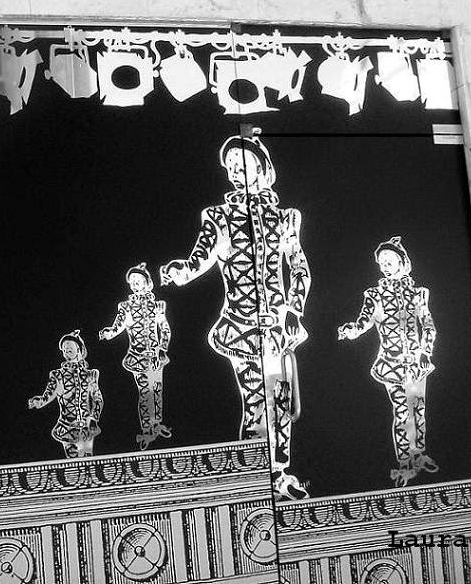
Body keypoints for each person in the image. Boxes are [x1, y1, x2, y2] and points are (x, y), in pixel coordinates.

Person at [160, 135, 311, 500]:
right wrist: (180, 271)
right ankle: (256, 479)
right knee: (256, 402)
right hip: (241, 326)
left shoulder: (285, 218)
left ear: (262, 168)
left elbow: (299, 267)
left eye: (243, 165)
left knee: (280, 400)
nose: (236, 172)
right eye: (230, 167)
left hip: (278, 327)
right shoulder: (218, 217)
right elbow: (200, 258)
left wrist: (294, 308)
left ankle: (279, 475)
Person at [338, 236, 438, 487]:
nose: (384, 265)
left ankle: (419, 454)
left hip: (416, 363)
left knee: (419, 410)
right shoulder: (374, 295)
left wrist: (425, 351)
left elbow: (428, 325)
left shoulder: (418, 294)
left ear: (402, 262)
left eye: (389, 260)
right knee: (402, 412)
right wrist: (352, 330)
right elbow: (363, 321)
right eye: (381, 262)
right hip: (390, 364)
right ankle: (404, 462)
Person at [99, 263, 172, 450]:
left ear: (147, 282)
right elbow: (118, 325)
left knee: (156, 390)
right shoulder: (126, 307)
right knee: (145, 392)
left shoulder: (158, 305)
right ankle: (147, 429)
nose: (135, 284)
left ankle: (156, 424)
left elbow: (165, 329)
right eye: (131, 281)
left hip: (155, 356)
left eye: (138, 280)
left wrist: (162, 348)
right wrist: (109, 333)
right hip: (137, 357)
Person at [28, 330, 103, 458]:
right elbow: (48, 394)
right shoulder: (57, 375)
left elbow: (98, 398)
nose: (66, 350)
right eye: (63, 349)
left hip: (86, 427)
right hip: (66, 427)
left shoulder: (91, 375)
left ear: (78, 349)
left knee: (87, 461)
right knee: (73, 461)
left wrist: (94, 418)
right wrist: (38, 402)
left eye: (69, 347)